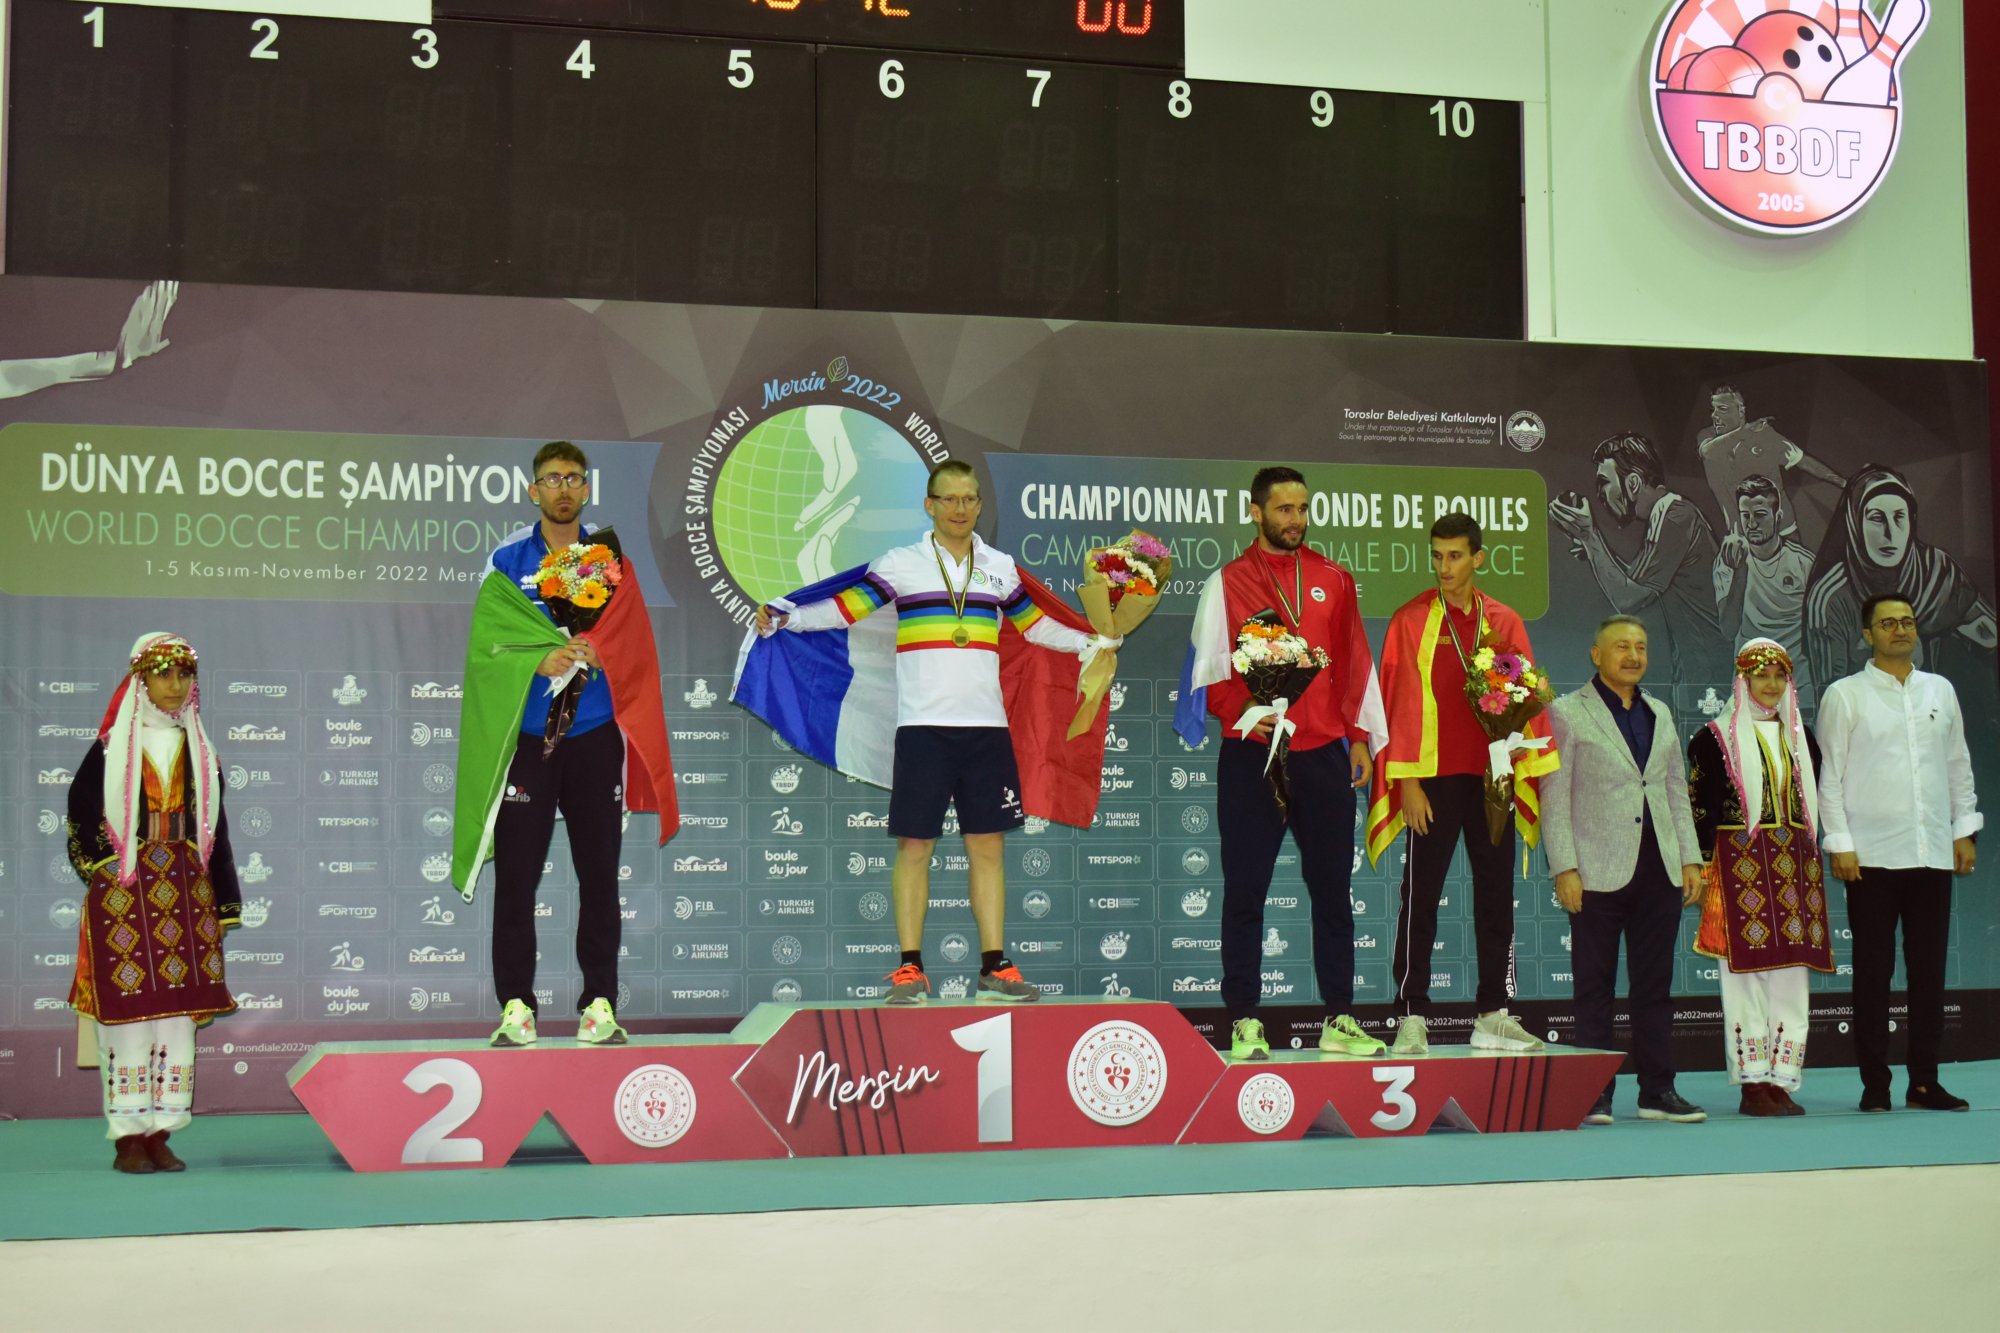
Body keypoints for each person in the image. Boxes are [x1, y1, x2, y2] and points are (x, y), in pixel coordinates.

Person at [754, 460, 1109, 1004]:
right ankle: (910, 969)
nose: (959, 509)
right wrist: (790, 618)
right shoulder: (902, 564)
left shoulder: (1000, 568)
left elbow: (1035, 626)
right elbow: (847, 609)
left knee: (987, 847)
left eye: (969, 499)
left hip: (987, 729)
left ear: (979, 506)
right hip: (922, 730)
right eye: (949, 499)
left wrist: (1092, 643)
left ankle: (994, 966)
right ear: (930, 505)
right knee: (915, 846)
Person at [458, 440, 676, 1049]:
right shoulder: (507, 561)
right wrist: (538, 659)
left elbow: (633, 640)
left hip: (593, 736)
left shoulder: (611, 560)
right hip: (530, 741)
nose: (563, 488)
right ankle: (516, 1007)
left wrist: (598, 651)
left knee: (599, 875)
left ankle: (599, 1004)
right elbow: (488, 646)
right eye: (552, 479)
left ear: (586, 489)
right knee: (516, 880)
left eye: (574, 478)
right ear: (534, 490)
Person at [1178, 466, 1387, 1060]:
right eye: (1284, 509)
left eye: (1303, 509)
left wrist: (1358, 738)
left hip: (1321, 754)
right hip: (1251, 754)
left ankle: (1340, 1018)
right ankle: (1245, 1020)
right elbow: (1208, 671)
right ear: (1256, 512)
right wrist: (1242, 707)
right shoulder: (1226, 582)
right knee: (1245, 891)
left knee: (1333, 893)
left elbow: (1353, 663)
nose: (1296, 520)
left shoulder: (1334, 578)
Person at [1368, 512, 1558, 1056]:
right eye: (1436, 556)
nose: (1444, 567)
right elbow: (1398, 701)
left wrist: (1518, 765)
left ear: (1478, 558)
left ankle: (1493, 1012)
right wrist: (1407, 782)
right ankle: (1411, 1014)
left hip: (1493, 777)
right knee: (1420, 897)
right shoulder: (1411, 619)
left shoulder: (1504, 619)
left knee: (1497, 895)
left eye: (1454, 556)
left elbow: (1527, 695)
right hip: (1431, 779)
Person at [65, 633, 240, 1174]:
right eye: (163, 674)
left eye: (184, 675)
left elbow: (216, 831)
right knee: (129, 1015)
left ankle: (161, 1132)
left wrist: (223, 902)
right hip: (126, 892)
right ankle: (127, 1137)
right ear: (140, 681)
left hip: (186, 892)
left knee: (177, 1019)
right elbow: (82, 816)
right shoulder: (110, 749)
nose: (175, 685)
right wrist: (109, 872)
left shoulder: (201, 751)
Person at [1815, 593, 1981, 1112]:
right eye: (1887, 623)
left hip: (1932, 852)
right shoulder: (1845, 695)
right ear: (1867, 634)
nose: (1900, 630)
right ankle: (1875, 1086)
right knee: (1873, 973)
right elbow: (1829, 777)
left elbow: (1957, 764)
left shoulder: (1940, 690)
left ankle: (1925, 1082)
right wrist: (1840, 842)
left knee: (1929, 973)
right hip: (1870, 858)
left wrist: (1964, 830)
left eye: (1907, 621)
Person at [1542, 616, 1708, 1124]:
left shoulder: (1660, 713)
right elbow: (1554, 797)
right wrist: (1564, 867)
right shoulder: (1567, 712)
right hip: (1595, 871)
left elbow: (1674, 788)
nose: (1633, 656)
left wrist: (1690, 857)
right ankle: (1594, 1093)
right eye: (1621, 647)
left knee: (1654, 988)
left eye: (1640, 647)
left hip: (1660, 869)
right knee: (1594, 988)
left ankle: (1658, 1091)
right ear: (1596, 654)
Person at [1686, 638, 1834, 1116]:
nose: (1770, 685)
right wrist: (1703, 865)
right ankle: (1752, 1082)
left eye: (1778, 676)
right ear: (1742, 680)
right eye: (1760, 675)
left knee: (1791, 972)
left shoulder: (1801, 738)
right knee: (1745, 975)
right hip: (1738, 866)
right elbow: (1700, 809)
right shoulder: (1713, 738)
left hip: (1794, 867)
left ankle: (1782, 1078)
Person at [1549, 432, 1728, 683]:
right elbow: (1633, 582)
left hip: (1710, 673)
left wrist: (1591, 538)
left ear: (1633, 483)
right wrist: (1593, 549)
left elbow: (1629, 599)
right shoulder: (1664, 514)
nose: (1600, 494)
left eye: (1604, 483)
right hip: (1694, 671)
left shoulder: (1676, 517)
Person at [1803, 464, 1997, 691]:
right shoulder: (1830, 596)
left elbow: (1989, 636)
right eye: (1877, 518)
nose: (1891, 533)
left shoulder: (1936, 572)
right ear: (1855, 523)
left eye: (1899, 517)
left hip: (1928, 705)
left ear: (1911, 520)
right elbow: (1829, 693)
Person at [1695, 385, 1843, 549]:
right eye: (1713, 409)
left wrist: (1843, 482)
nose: (1714, 415)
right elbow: (1707, 452)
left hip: (1781, 528)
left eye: (1722, 409)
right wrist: (1746, 431)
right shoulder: (1707, 437)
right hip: (1742, 536)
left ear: (1741, 411)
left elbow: (1804, 462)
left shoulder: (1766, 435)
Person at [1714, 475, 1817, 701]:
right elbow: (1728, 629)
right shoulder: (1728, 561)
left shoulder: (1803, 563)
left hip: (1799, 691)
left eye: (1760, 515)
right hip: (1749, 691)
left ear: (1778, 517)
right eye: (1745, 516)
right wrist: (1740, 570)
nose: (1751, 524)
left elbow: (1818, 631)